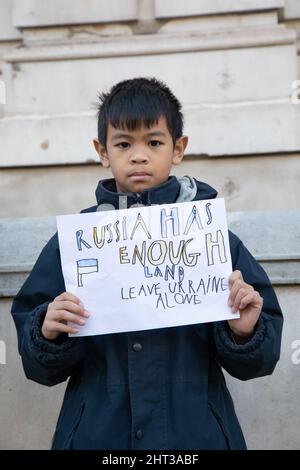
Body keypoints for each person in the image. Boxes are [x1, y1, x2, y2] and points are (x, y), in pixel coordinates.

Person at [11, 77, 283, 450]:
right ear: (103, 151)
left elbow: (259, 362)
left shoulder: (212, 240)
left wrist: (244, 332)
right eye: (123, 143)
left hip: (195, 437)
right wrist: (47, 331)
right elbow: (36, 365)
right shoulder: (75, 244)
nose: (139, 156)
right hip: (97, 436)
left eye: (154, 142)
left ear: (178, 148)